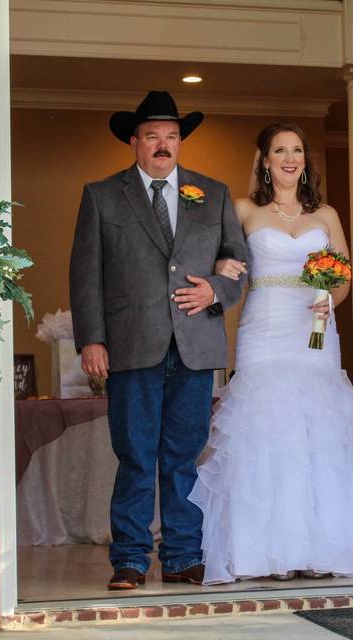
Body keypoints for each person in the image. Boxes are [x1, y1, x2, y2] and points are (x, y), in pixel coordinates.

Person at [188, 122, 353, 585]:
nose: (290, 158)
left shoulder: (326, 214)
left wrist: (331, 297)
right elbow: (218, 259)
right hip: (263, 327)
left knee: (319, 428)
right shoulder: (242, 209)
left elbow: (343, 276)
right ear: (264, 160)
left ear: (305, 160)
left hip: (315, 328)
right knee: (265, 428)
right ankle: (266, 551)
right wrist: (221, 266)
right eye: (280, 150)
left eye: (297, 150)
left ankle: (325, 545)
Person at [69, 91, 247, 590]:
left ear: (180, 142)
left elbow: (237, 259)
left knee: (183, 454)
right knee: (135, 454)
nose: (163, 145)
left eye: (171, 136)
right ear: (134, 143)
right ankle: (128, 559)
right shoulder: (102, 195)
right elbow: (86, 276)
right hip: (129, 343)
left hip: (195, 344)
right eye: (152, 136)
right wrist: (91, 340)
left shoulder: (212, 193)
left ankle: (184, 554)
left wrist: (218, 289)